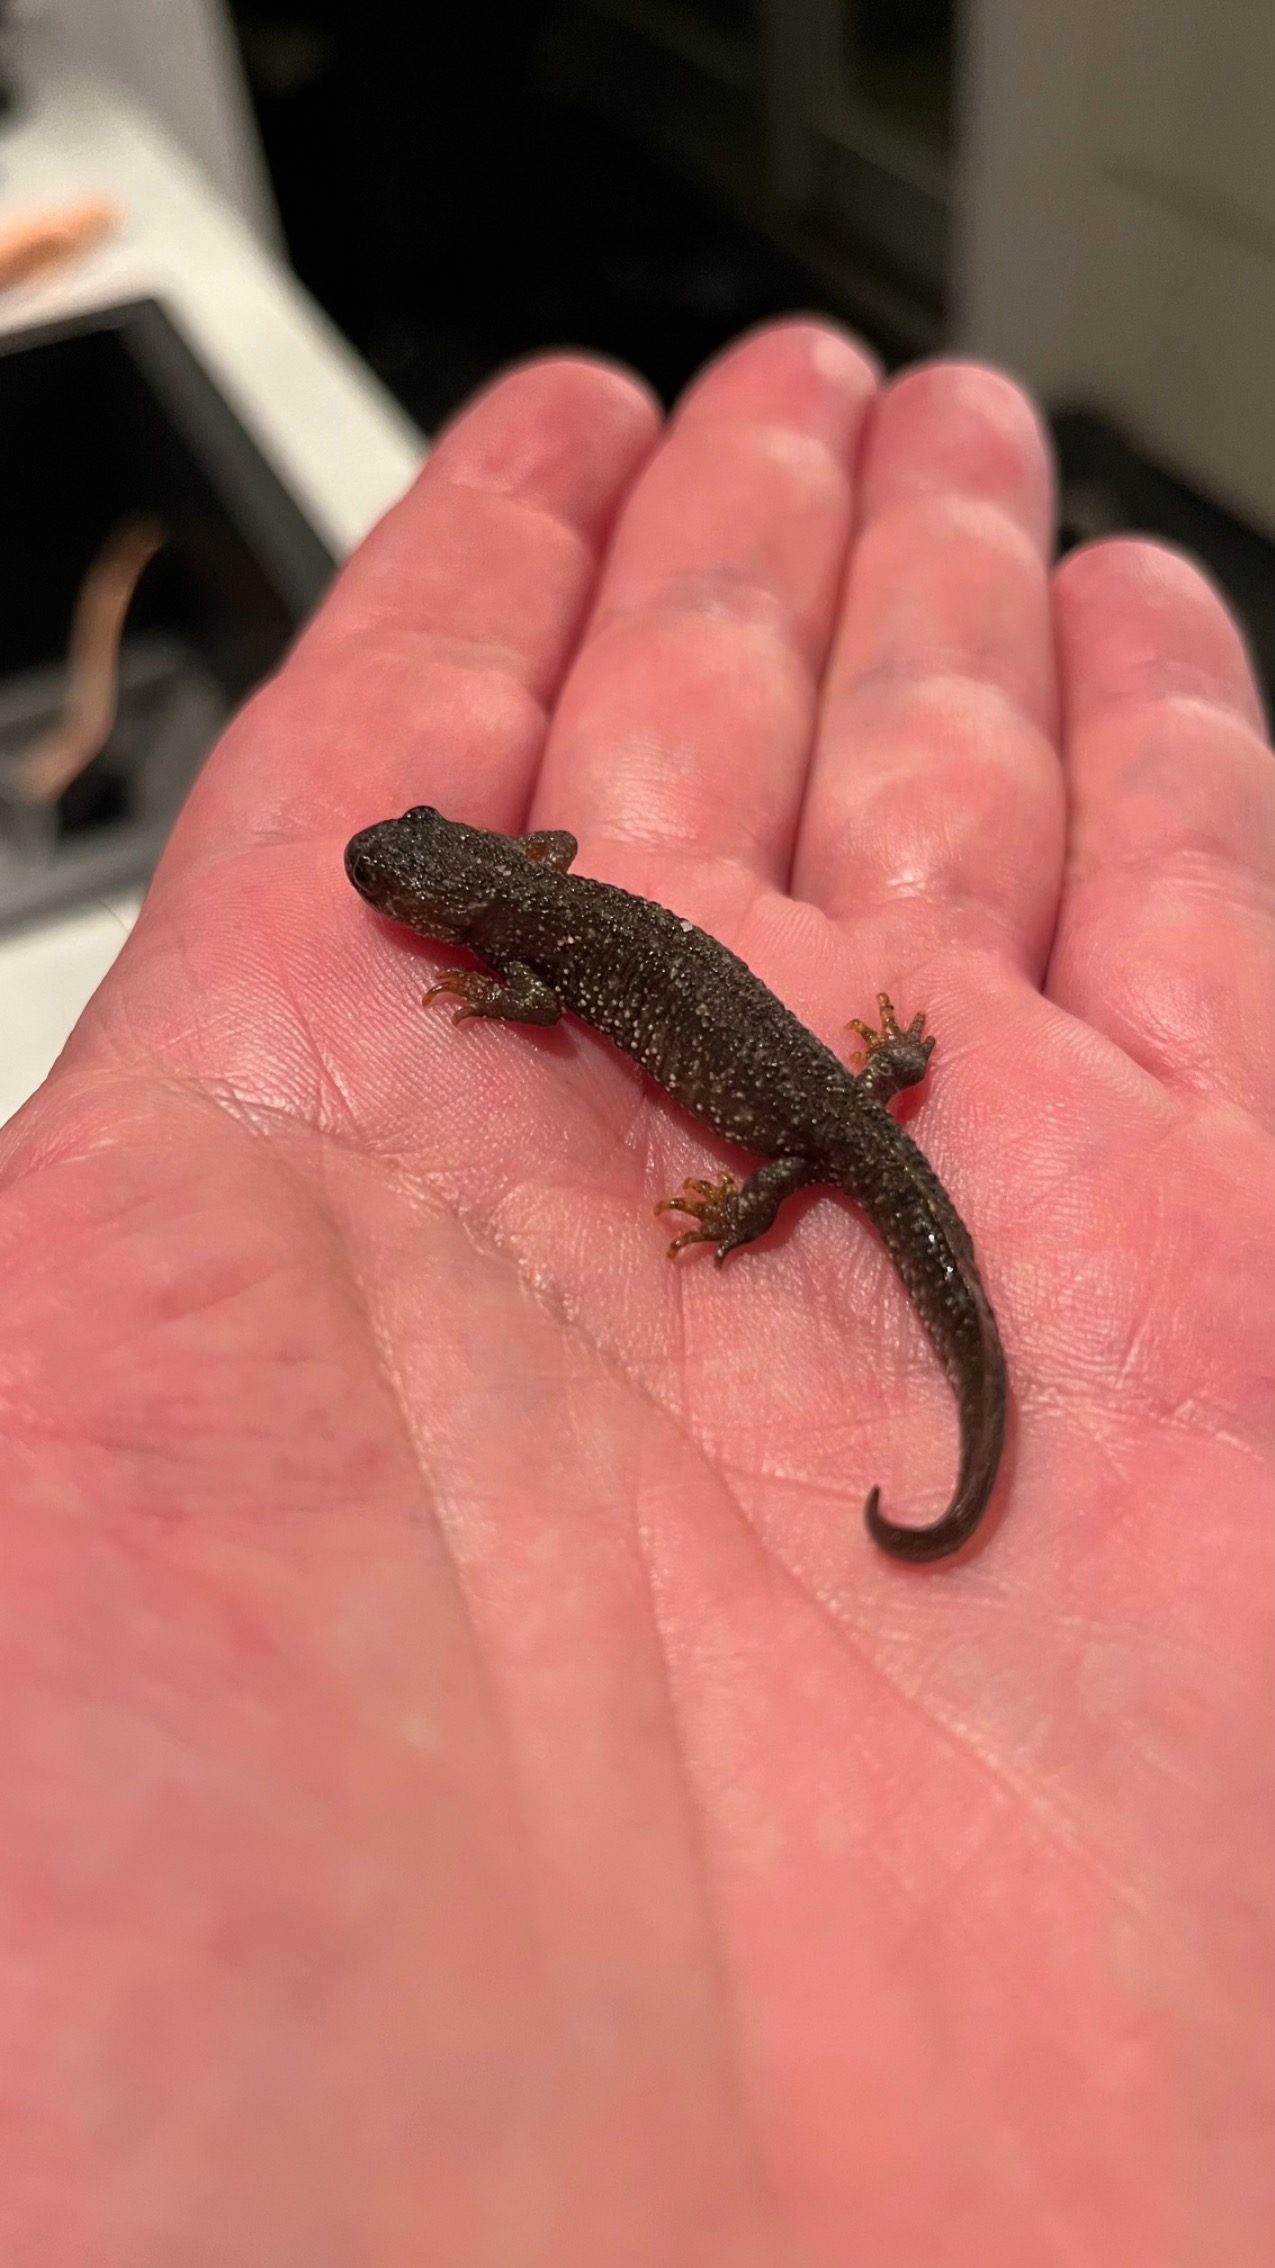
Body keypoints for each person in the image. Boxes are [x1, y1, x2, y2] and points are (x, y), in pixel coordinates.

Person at [2, 320, 1271, 2263]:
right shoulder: (528, 878)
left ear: (452, 901)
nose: (398, 899)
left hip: (794, 1120)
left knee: (816, 1154)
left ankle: (846, 1276)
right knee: (837, 1114)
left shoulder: (525, 950)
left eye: (407, 890)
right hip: (824, 1083)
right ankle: (873, 1108)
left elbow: (540, 976)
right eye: (406, 884)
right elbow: (559, 867)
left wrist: (721, 1183)